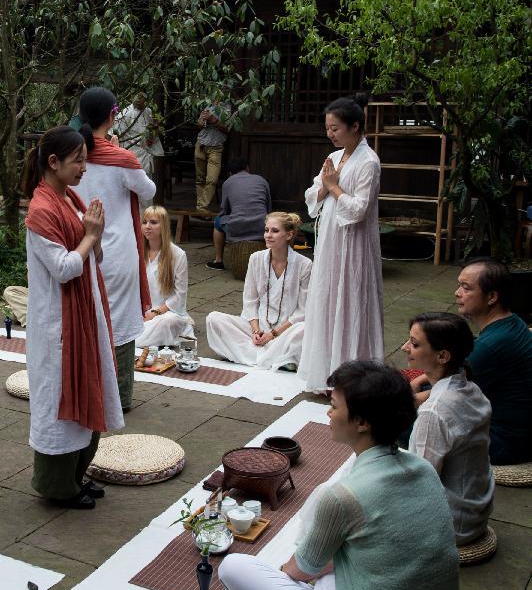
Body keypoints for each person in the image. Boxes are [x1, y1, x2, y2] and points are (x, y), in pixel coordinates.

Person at [220, 362, 461, 590]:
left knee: (234, 568)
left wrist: (284, 579)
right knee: (334, 566)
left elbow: (298, 571)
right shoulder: (423, 469)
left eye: (334, 406)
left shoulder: (343, 496)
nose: (328, 413)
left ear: (361, 422)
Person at [22, 126, 122, 510]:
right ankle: (58, 486)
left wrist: (93, 236)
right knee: (58, 403)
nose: (84, 167)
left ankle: (77, 476)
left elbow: (92, 255)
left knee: (87, 387)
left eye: (85, 159)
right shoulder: (41, 211)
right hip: (58, 325)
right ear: (53, 162)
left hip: (84, 314)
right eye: (77, 160)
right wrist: (90, 236)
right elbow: (64, 268)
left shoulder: (70, 198)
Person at [73, 87, 156, 411]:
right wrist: (119, 151)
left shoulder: (70, 156)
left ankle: (87, 392)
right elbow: (148, 191)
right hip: (118, 253)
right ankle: (119, 398)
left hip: (80, 249)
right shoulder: (122, 159)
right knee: (120, 323)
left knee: (84, 319)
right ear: (112, 116)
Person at [297, 95, 383, 393]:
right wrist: (326, 187)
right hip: (331, 240)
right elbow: (312, 194)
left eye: (335, 128)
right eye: (328, 128)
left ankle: (354, 378)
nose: (330, 134)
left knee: (351, 299)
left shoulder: (368, 161)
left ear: (354, 126)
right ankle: (325, 372)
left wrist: (333, 186)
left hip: (354, 243)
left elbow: (359, 209)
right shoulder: (333, 158)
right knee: (327, 298)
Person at [402, 312, 494, 544]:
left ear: (442, 356)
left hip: (451, 524)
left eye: (414, 344)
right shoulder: (471, 388)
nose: (405, 348)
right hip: (474, 510)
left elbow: (420, 484)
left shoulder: (433, 413)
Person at [206, 212, 311, 370]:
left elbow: (302, 312)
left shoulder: (304, 264)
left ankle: (257, 354)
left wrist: (273, 334)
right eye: (266, 230)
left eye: (275, 231)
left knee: (303, 330)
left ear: (289, 235)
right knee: (213, 319)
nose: (268, 235)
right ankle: (278, 358)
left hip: (286, 332)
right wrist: (256, 332)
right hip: (258, 328)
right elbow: (250, 301)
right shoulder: (255, 258)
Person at [455, 258, 532, 464]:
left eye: (466, 288)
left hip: (503, 441)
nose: (457, 293)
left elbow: (448, 394)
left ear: (491, 297)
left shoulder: (491, 345)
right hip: (515, 431)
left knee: (396, 422)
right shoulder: (512, 321)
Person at [135, 205, 193, 349]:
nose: (148, 226)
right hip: (139, 313)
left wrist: (155, 313)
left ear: (164, 226)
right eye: (144, 222)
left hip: (167, 314)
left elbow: (180, 296)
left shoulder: (178, 254)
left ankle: (133, 342)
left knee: (167, 322)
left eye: (154, 222)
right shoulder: (136, 251)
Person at [206, 158, 272, 270]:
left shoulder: (227, 183)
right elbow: (268, 207)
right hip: (262, 226)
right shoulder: (261, 180)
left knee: (218, 221)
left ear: (230, 173)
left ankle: (218, 260)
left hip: (237, 226)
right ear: (247, 168)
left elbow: (224, 209)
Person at [114, 96, 163, 208]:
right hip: (131, 157)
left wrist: (154, 130)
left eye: (143, 98)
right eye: (138, 97)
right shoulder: (125, 113)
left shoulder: (148, 111)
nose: (140, 100)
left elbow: (152, 134)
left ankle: (146, 217)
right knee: (130, 194)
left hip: (145, 156)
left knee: (145, 194)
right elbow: (115, 135)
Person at [194, 102, 229, 210]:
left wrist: (213, 120)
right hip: (201, 144)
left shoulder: (228, 107)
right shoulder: (208, 105)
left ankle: (201, 207)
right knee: (199, 179)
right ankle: (201, 208)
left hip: (216, 148)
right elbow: (199, 125)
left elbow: (228, 128)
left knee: (212, 180)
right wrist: (201, 121)